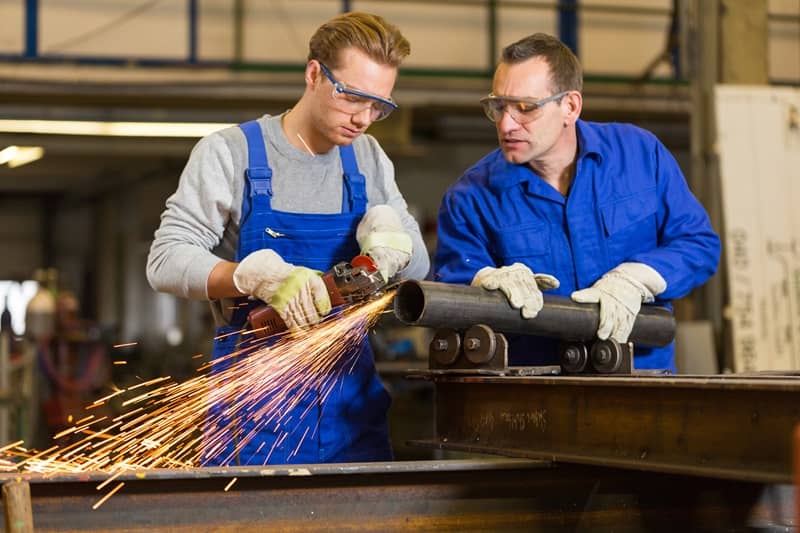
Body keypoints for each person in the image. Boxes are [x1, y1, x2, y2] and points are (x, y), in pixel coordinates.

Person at [147, 11, 429, 465]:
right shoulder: (231, 152)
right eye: (353, 97)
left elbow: (419, 269)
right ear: (314, 74)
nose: (364, 119)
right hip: (255, 417)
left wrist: (392, 244)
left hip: (351, 411)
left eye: (379, 105)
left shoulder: (368, 160)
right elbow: (165, 260)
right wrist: (249, 276)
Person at [434, 33, 720, 372]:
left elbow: (698, 244)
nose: (506, 124)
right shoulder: (470, 197)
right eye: (498, 107)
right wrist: (481, 280)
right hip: (534, 396)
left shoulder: (640, 156)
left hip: (641, 383)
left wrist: (637, 278)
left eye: (525, 107)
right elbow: (453, 282)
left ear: (570, 106)